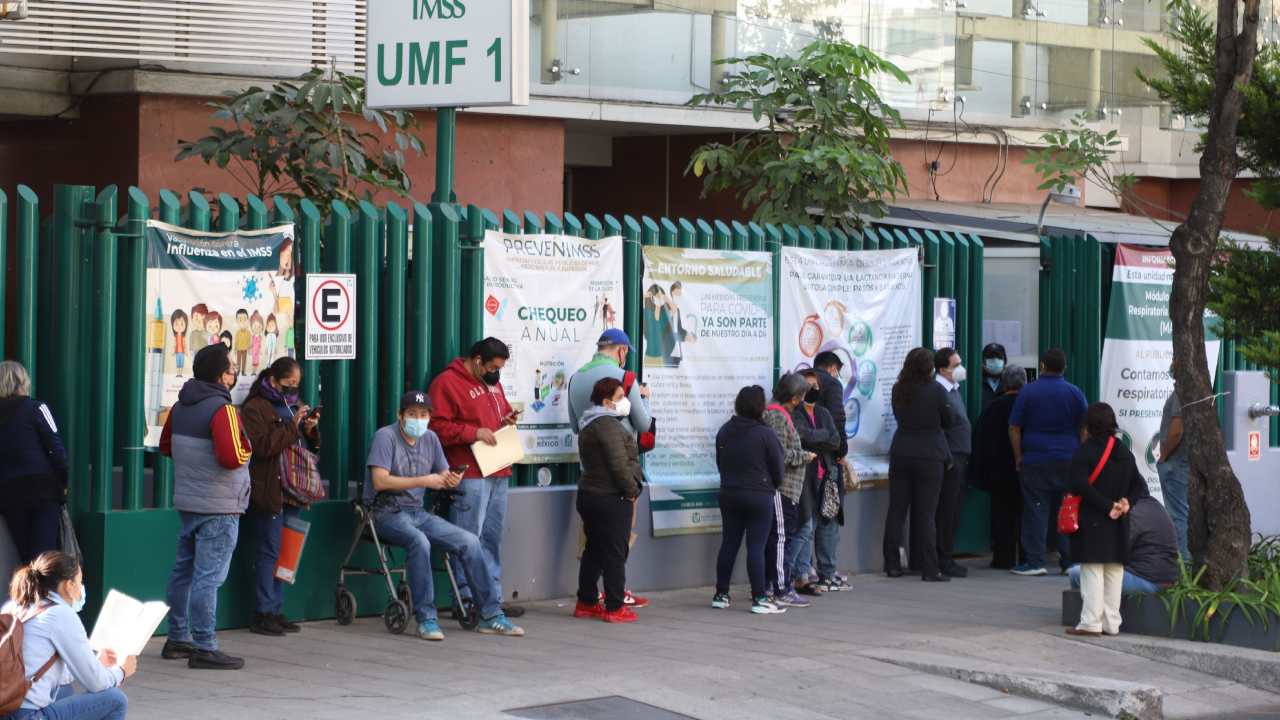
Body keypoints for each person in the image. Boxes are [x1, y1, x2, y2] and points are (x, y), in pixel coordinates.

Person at [367, 391, 524, 640]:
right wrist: (424, 480)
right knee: (420, 542)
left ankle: (491, 614)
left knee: (470, 541)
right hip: (387, 512)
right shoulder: (385, 437)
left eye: (423, 415)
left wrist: (452, 479)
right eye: (412, 415)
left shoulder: (430, 438)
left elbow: (443, 473)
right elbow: (379, 481)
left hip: (417, 512)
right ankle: (427, 619)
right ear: (400, 415)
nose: (418, 420)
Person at [158, 343, 252, 670]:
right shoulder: (221, 409)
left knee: (183, 572)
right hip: (220, 505)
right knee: (208, 578)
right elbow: (232, 456)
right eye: (229, 369)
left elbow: (166, 446)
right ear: (218, 374)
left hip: (189, 502)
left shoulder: (179, 406)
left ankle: (177, 638)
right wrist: (248, 450)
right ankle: (204, 645)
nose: (232, 375)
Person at [428, 338, 523, 618]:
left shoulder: (492, 383)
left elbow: (497, 412)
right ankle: (465, 597)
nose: (497, 373)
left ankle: (491, 596)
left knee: (491, 538)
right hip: (469, 471)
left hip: (497, 468)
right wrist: (473, 433)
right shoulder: (447, 383)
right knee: (468, 537)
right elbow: (435, 426)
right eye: (493, 366)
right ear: (478, 360)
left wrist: (506, 419)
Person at [566, 328, 652, 609]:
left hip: (589, 473)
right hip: (619, 477)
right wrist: (644, 397)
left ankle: (589, 596)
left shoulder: (576, 379)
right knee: (617, 541)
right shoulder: (625, 379)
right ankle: (616, 594)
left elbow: (574, 425)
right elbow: (643, 423)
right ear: (622, 351)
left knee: (593, 541)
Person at [2, 551, 135, 720]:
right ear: (68, 585)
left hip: (5, 707)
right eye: (79, 583)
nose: (81, 589)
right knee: (116, 700)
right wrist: (122, 672)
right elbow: (96, 683)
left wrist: (96, 663)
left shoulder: (14, 606)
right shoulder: (60, 614)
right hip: (25, 715)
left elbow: (55, 672)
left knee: (64, 690)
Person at [241, 357, 319, 637]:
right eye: (288, 384)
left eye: (296, 385)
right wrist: (292, 426)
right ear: (273, 380)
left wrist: (309, 429)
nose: (292, 389)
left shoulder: (292, 405)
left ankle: (276, 608)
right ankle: (263, 611)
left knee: (288, 549)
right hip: (270, 487)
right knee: (269, 549)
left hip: (293, 488)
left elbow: (303, 444)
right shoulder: (255, 407)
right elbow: (262, 447)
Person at [1065, 403, 1150, 637]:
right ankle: (1112, 623)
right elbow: (1140, 486)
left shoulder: (1085, 451)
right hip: (1119, 521)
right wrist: (1124, 503)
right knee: (1114, 570)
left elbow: (1079, 485)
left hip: (1093, 520)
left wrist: (1107, 505)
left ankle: (1090, 622)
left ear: (1089, 425)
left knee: (1092, 569)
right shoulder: (1123, 451)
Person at [1009, 348, 1088, 577]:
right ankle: (1069, 561)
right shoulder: (1075, 393)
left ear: (1042, 366)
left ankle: (1035, 561)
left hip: (1036, 459)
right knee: (1068, 508)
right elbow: (1085, 427)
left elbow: (1014, 427)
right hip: (1068, 458)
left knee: (1035, 510)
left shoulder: (1028, 392)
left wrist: (1018, 456)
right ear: (1064, 367)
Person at [572, 378, 644, 624]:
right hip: (610, 497)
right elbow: (619, 464)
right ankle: (614, 606)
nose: (626, 401)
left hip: (590, 494)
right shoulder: (607, 425)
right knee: (614, 552)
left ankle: (587, 601)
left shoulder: (590, 423)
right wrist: (632, 489)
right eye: (620, 396)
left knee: (594, 549)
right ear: (606, 402)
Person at [712, 386, 786, 615]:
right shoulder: (765, 434)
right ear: (760, 407)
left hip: (729, 492)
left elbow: (720, 462)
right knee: (756, 546)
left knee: (729, 543)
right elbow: (778, 470)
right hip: (758, 494)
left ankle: (721, 594)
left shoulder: (724, 431)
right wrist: (770, 484)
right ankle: (759, 597)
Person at [883, 347, 953, 582]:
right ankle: (929, 569)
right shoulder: (936, 390)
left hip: (902, 450)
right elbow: (949, 420)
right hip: (930, 454)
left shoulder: (898, 389)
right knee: (926, 514)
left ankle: (892, 565)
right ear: (930, 367)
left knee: (896, 510)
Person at [0, 361, 69, 564]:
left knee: (25, 554)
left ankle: (27, 591)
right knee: (43, 554)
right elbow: (57, 449)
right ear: (22, 382)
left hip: (8, 492)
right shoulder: (37, 408)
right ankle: (42, 594)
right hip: (42, 490)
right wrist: (63, 485)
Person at [762, 373, 817, 607]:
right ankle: (780, 588)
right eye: (802, 395)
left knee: (777, 539)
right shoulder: (777, 416)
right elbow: (779, 453)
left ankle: (771, 585)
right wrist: (805, 456)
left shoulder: (780, 414)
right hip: (782, 488)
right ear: (795, 397)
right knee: (780, 539)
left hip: (786, 488)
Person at [789, 370, 842, 595]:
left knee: (826, 524)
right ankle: (796, 574)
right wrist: (822, 437)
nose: (814, 389)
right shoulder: (796, 412)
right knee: (805, 526)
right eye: (808, 386)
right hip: (805, 476)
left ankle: (821, 573)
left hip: (826, 475)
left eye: (816, 385)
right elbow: (803, 437)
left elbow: (836, 440)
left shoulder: (823, 412)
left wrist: (816, 437)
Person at [1068, 495, 1180, 595]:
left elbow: (1115, 551)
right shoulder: (1154, 504)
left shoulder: (1133, 512)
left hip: (1148, 580)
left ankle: (1090, 615)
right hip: (1165, 577)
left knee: (1076, 573)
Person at [973, 365, 1027, 570]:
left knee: (1002, 515)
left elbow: (981, 440)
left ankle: (1003, 557)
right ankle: (1026, 556)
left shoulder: (993, 408)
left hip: (999, 473)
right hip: (1024, 468)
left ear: (1004, 383)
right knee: (1026, 513)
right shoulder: (1027, 406)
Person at [811, 351, 851, 592]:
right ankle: (827, 572)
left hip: (806, 460)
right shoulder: (832, 383)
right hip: (827, 460)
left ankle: (805, 572)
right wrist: (841, 450)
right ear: (832, 367)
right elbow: (838, 419)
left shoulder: (801, 379)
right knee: (829, 513)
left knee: (807, 521)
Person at [933, 348, 972, 578]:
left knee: (954, 509)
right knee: (946, 510)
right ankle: (943, 557)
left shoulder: (954, 390)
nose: (960, 368)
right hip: (950, 457)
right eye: (955, 365)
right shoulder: (939, 391)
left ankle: (946, 554)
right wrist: (947, 457)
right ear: (942, 369)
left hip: (960, 455)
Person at [1156, 381, 1189, 558]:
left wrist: (1164, 455)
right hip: (1182, 461)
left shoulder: (1180, 393)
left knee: (1178, 515)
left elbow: (1177, 430)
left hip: (1175, 462)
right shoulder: (1192, 391)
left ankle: (1183, 563)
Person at [979, 343, 1008, 411]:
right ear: (983, 362)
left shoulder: (1010, 382)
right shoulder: (975, 382)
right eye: (990, 357)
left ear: (1005, 362)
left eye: (999, 357)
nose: (995, 360)